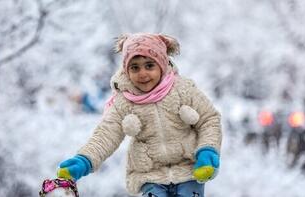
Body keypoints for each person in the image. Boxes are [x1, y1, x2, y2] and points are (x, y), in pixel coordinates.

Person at [56, 33, 222, 197]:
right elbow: (106, 135)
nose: (142, 73)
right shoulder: (124, 103)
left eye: (149, 65)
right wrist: (84, 160)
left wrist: (207, 150)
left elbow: (209, 119)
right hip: (149, 175)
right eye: (135, 67)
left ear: (162, 65)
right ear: (126, 70)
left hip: (189, 170)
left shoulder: (183, 90)